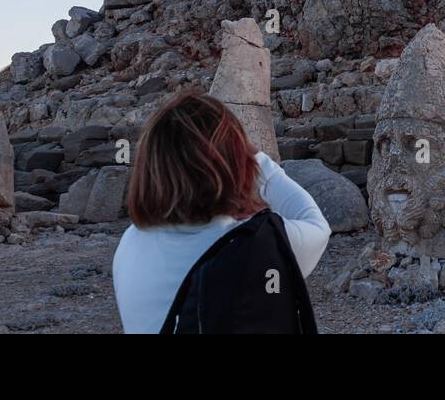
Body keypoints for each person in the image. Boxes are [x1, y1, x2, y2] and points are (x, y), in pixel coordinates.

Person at [112, 84, 330, 333]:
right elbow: (316, 224)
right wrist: (260, 163)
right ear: (238, 163)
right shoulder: (254, 245)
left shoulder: (130, 242)